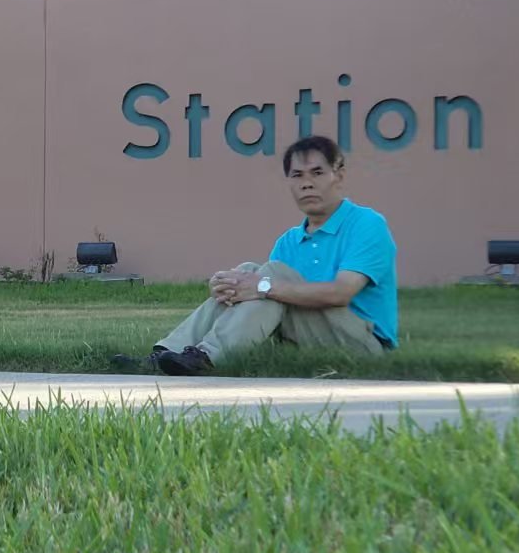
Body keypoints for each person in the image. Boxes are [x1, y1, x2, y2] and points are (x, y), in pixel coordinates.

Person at [120, 135, 399, 375]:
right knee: (248, 272)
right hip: (305, 336)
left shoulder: (366, 223)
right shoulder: (290, 240)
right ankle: (164, 354)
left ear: (338, 176)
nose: (307, 184)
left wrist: (262, 286)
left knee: (264, 277)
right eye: (297, 175)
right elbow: (266, 300)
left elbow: (341, 293)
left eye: (317, 173)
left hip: (363, 343)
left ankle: (207, 357)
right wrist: (230, 288)